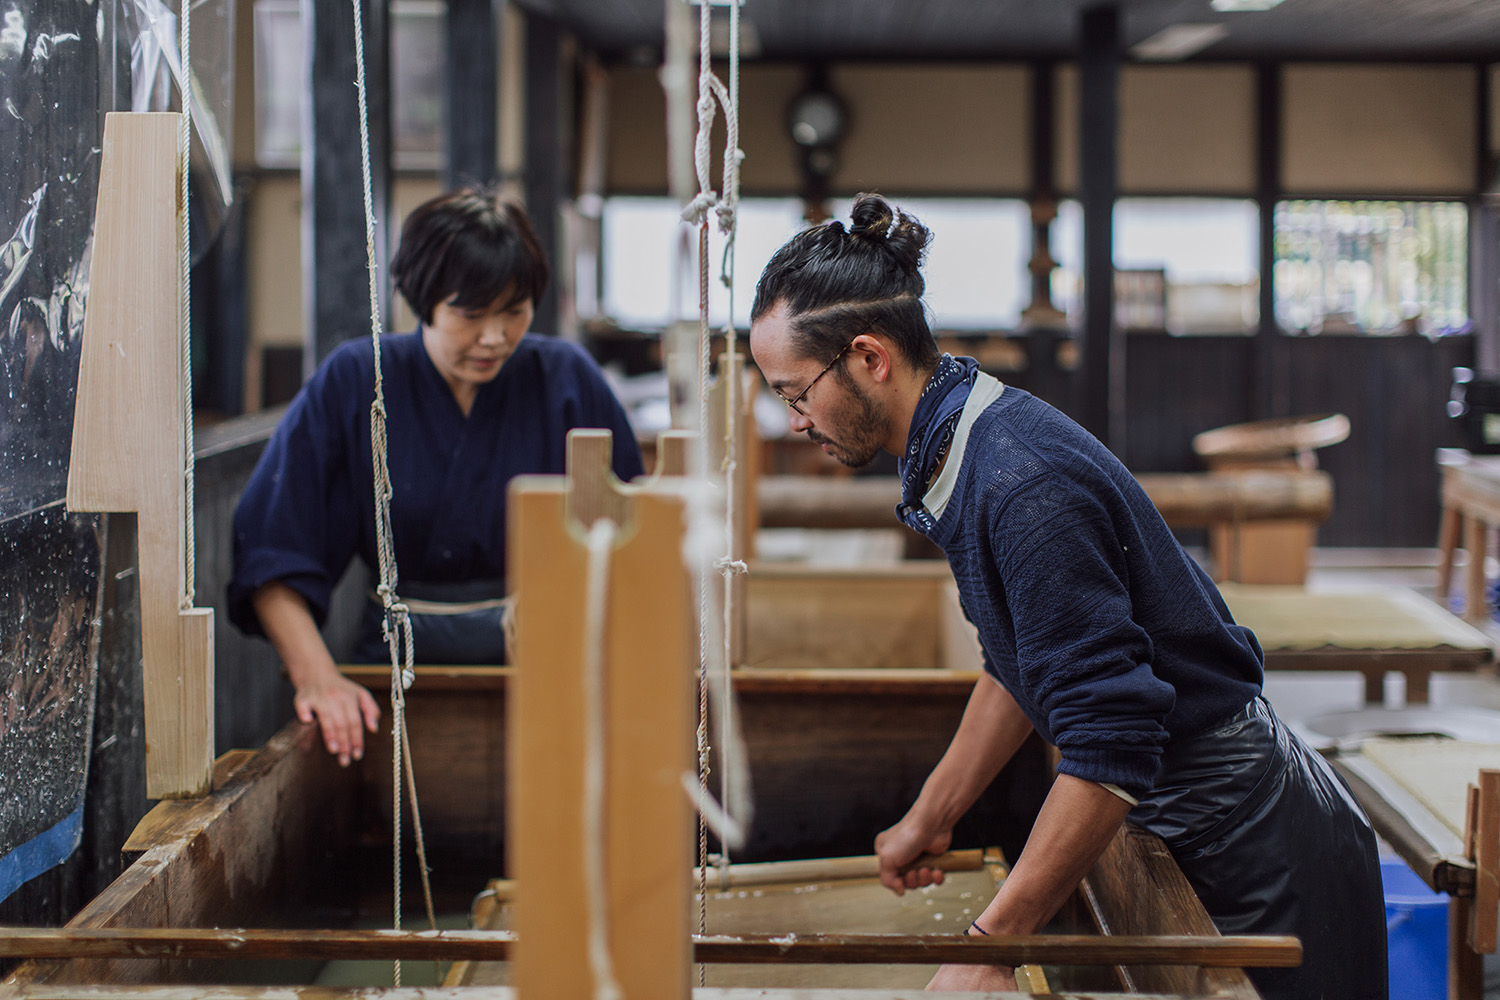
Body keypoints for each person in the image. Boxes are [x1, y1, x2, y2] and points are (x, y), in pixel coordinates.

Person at [747, 193, 1385, 999]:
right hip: (1195, 805)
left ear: (870, 359)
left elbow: (1110, 738)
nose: (797, 421)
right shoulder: (960, 440)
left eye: (795, 393)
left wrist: (991, 948)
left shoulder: (1019, 486)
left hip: (1251, 837)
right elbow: (1019, 661)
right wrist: (932, 812)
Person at [228, 187, 643, 767]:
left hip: (548, 667)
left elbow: (635, 539)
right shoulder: (358, 379)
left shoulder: (567, 378)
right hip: (392, 666)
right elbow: (272, 550)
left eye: (514, 311)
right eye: (471, 314)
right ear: (424, 301)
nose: (495, 337)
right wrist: (319, 679)